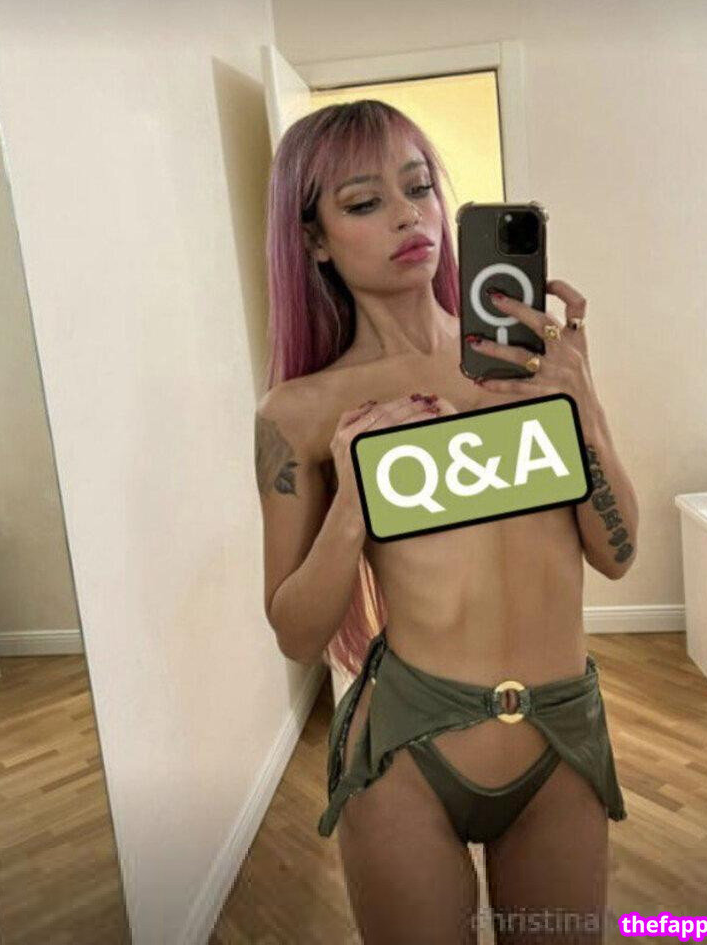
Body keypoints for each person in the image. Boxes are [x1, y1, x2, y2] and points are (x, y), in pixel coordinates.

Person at [255, 100, 638, 945]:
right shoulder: (299, 414)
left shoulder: (529, 358)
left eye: (420, 187)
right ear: (313, 238)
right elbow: (294, 631)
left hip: (560, 731)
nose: (408, 215)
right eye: (364, 202)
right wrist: (352, 508)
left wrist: (583, 409)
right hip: (408, 748)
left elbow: (617, 552)